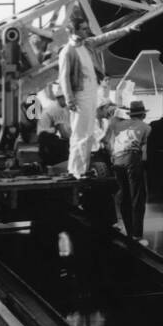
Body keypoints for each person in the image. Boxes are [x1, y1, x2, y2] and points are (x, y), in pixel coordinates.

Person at [58, 15, 136, 179]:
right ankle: (75, 170)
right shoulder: (67, 51)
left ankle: (82, 170)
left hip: (92, 92)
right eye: (84, 28)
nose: (87, 31)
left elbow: (106, 37)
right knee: (79, 134)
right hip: (80, 95)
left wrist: (127, 30)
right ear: (74, 30)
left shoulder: (87, 44)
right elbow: (64, 77)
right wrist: (69, 99)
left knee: (87, 135)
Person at [108, 99, 151, 241]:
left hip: (117, 161)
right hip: (132, 159)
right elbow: (143, 151)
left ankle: (129, 232)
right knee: (138, 197)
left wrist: (119, 109)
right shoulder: (146, 127)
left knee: (124, 196)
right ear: (143, 115)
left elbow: (113, 118)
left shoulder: (117, 124)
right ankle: (138, 235)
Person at [36, 84, 71, 166]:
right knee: (64, 148)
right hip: (44, 136)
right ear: (61, 98)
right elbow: (63, 133)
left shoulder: (61, 108)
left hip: (49, 135)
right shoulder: (55, 109)